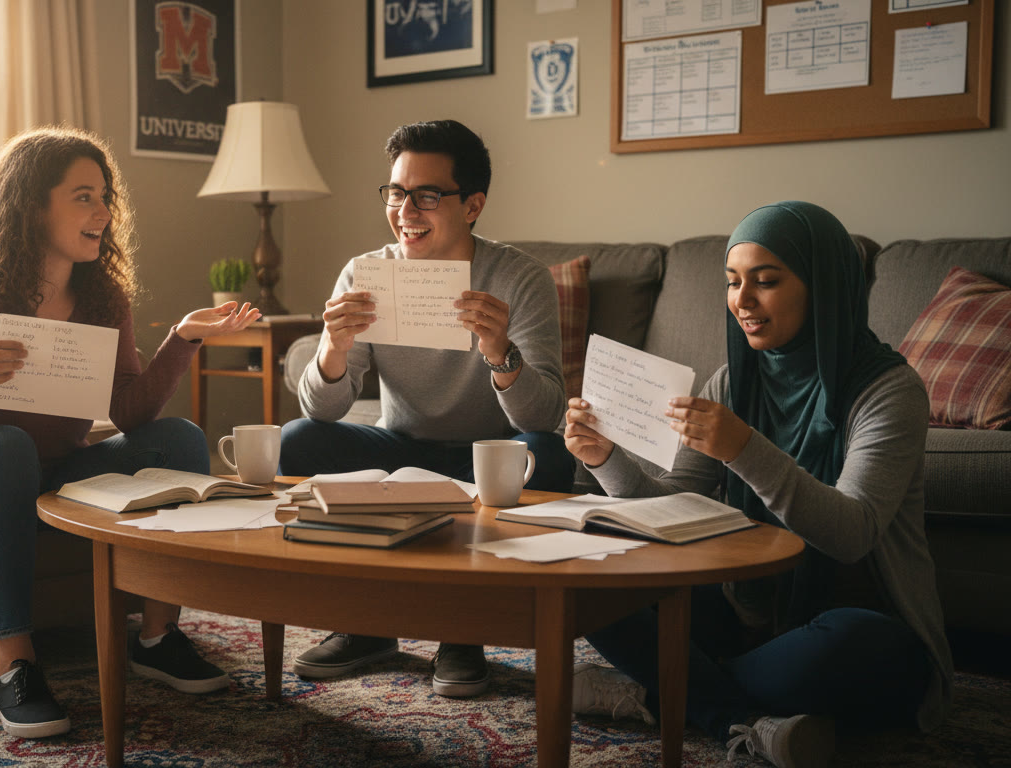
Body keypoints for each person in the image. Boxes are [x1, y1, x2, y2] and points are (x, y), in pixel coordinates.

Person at [562, 201, 952, 767]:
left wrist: (744, 449)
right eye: (732, 282)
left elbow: (852, 533)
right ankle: (736, 716)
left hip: (858, 625)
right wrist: (606, 460)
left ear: (823, 288)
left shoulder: (888, 391)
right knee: (591, 581)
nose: (741, 301)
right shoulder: (732, 382)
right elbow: (677, 509)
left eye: (765, 281)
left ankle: (659, 688)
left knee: (843, 648)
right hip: (746, 616)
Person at [0, 126, 260, 739]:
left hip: (58, 472)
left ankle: (157, 638)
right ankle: (14, 665)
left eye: (105, 198)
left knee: (179, 438)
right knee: (6, 446)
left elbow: (129, 412)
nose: (103, 212)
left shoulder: (102, 298)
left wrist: (184, 339)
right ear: (31, 206)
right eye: (83, 197)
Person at [281, 119, 575, 698]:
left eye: (427, 195)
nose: (405, 210)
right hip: (402, 446)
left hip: (488, 454)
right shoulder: (366, 273)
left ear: (473, 205)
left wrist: (501, 352)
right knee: (297, 440)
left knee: (547, 454)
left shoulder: (520, 277)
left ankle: (464, 629)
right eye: (396, 192)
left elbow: (543, 417)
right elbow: (323, 411)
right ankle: (367, 623)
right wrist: (333, 349)